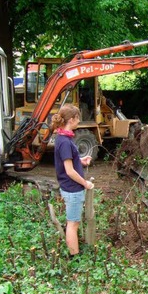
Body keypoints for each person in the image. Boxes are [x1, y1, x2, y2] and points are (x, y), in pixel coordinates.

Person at [51, 104, 94, 258]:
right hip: (72, 189)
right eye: (77, 118)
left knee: (73, 221)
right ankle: (74, 257)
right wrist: (85, 183)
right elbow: (69, 171)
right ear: (71, 119)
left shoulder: (64, 138)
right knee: (73, 223)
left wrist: (80, 160)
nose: (79, 121)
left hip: (70, 188)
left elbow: (68, 162)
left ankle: (74, 252)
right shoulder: (64, 142)